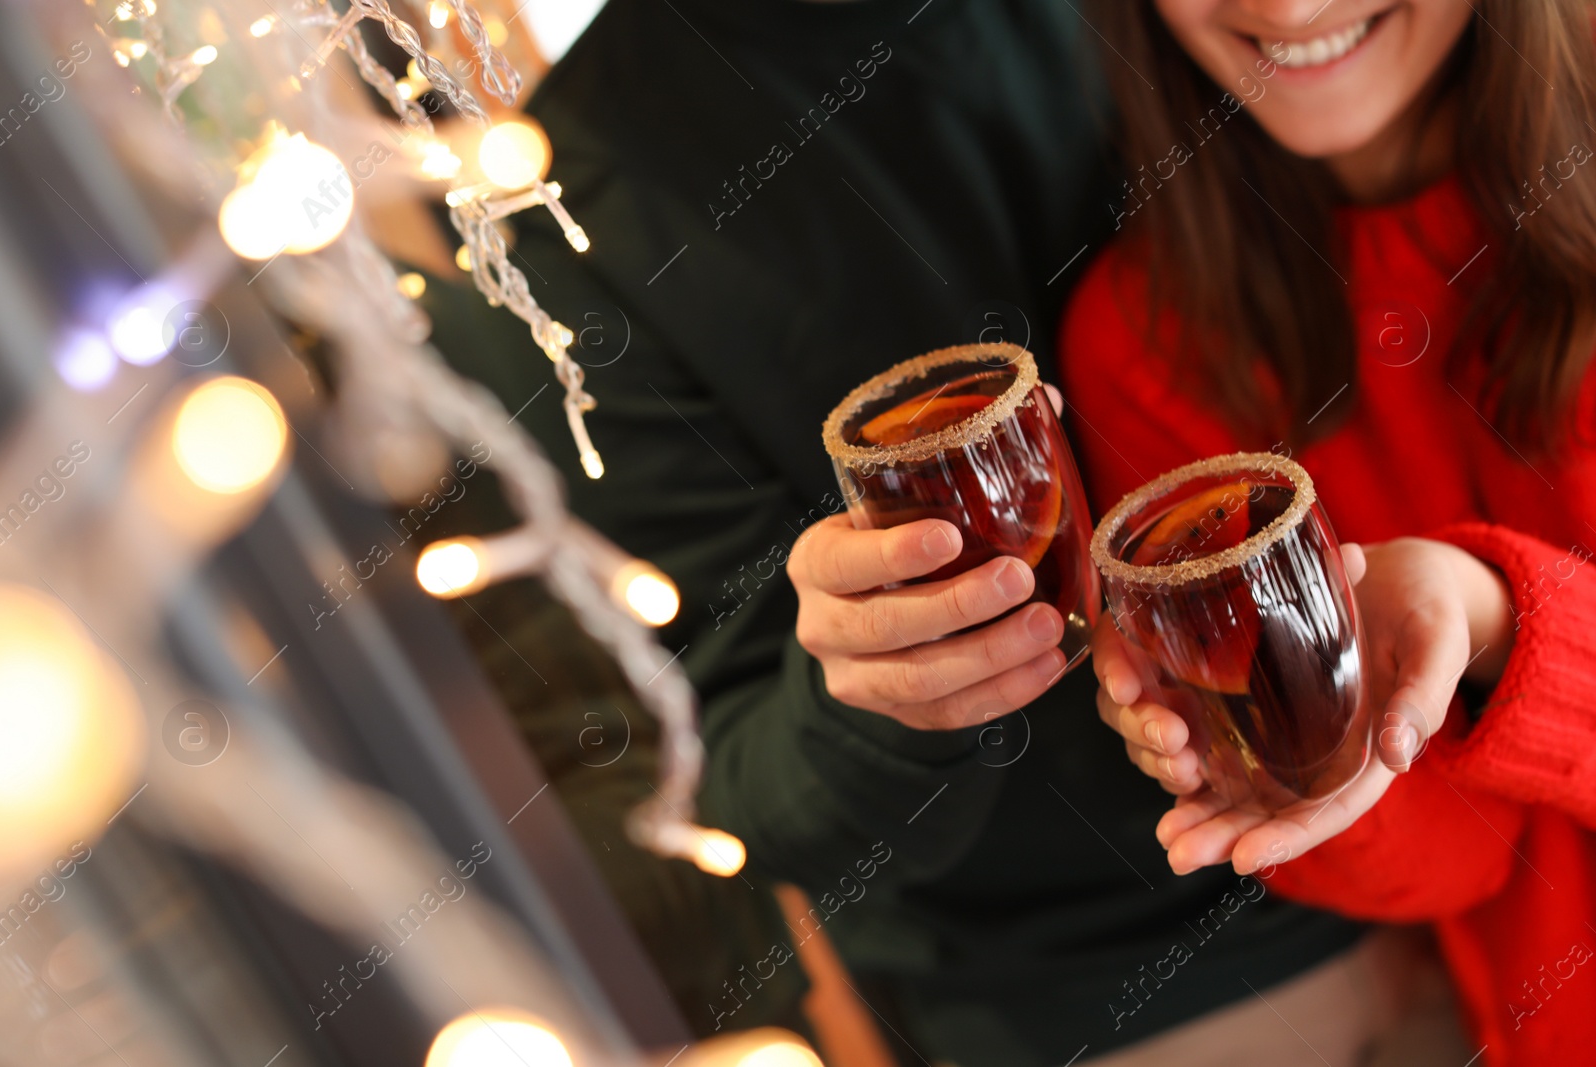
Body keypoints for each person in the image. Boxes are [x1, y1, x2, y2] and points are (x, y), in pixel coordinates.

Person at [416, 1, 1403, 1063]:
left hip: (1465, 818)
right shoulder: (564, 229)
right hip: (1140, 994)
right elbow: (732, 782)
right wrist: (876, 697)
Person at [1062, 1, 1596, 1064]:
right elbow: (1459, 865)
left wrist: (1496, 619)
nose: (1288, 6)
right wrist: (1301, 755)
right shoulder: (1145, 336)